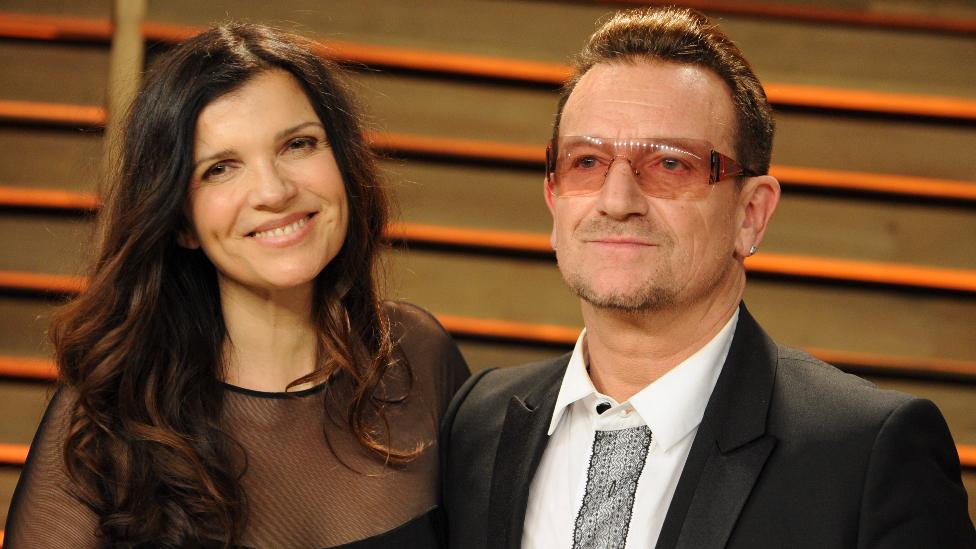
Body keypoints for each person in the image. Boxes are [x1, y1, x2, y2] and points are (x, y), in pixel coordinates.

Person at [442, 7, 975, 549]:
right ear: (553, 201)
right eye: (587, 162)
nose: (617, 200)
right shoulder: (477, 423)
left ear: (751, 214)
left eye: (670, 164)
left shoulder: (868, 455)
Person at [5, 23, 468, 548]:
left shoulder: (418, 358)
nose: (273, 191)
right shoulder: (107, 413)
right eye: (221, 168)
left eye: (298, 144)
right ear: (181, 220)